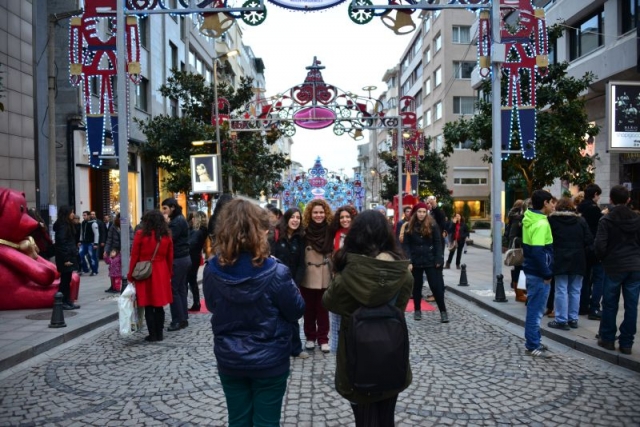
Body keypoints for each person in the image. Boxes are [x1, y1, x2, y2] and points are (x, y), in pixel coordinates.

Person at [203, 199, 305, 427]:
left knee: (238, 420)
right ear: (260, 231)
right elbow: (296, 309)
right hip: (270, 359)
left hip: (230, 357)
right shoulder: (276, 271)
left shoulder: (211, 270)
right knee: (267, 422)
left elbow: (212, 305)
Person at [323, 210, 413, 426]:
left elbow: (330, 302)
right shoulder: (402, 273)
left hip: (356, 356)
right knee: (386, 418)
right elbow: (399, 306)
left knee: (363, 419)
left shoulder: (347, 275)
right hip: (392, 353)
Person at [595, 185, 640, 355]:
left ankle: (607, 338)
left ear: (611, 200)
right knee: (631, 305)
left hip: (614, 265)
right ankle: (626, 342)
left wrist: (603, 258)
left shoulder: (607, 220)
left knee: (609, 303)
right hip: (634, 266)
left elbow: (599, 245)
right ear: (628, 200)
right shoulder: (636, 219)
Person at [127, 210, 174, 342]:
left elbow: (134, 256)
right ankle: (160, 334)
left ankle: (152, 334)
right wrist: (169, 273)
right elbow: (170, 257)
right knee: (159, 305)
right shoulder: (166, 235)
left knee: (148, 304)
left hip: (145, 272)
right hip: (161, 271)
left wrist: (131, 275)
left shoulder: (140, 234)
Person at [547, 198, 592, 330]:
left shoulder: (552, 221)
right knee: (575, 290)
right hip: (578, 258)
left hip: (560, 257)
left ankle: (561, 319)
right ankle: (573, 318)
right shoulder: (580, 221)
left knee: (561, 289)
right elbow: (589, 239)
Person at [269, 207, 308, 359]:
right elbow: (271, 258)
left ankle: (296, 348)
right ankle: (278, 347)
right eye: (293, 217)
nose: (295, 220)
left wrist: (296, 283)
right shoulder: (276, 235)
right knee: (275, 315)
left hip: (292, 282)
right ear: (286, 219)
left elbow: (301, 263)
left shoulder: (301, 238)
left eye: (298, 218)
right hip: (275, 281)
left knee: (292, 315)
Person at [402, 202, 449, 323]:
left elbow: (438, 243)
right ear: (415, 213)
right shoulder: (409, 227)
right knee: (416, 287)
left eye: (424, 212)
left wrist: (439, 258)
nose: (421, 214)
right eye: (419, 211)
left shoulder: (432, 225)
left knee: (435, 286)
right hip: (416, 261)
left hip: (430, 260)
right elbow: (406, 246)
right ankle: (417, 310)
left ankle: (443, 311)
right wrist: (409, 261)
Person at [522, 190, 555, 358]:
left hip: (531, 269)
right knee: (536, 310)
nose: (553, 205)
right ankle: (533, 344)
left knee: (534, 308)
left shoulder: (530, 218)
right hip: (538, 273)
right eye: (551, 202)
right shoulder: (541, 223)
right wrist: (547, 273)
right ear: (545, 204)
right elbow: (538, 251)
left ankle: (534, 340)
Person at [301, 199, 333, 353]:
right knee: (308, 309)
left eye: (321, 212)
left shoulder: (330, 230)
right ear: (310, 214)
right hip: (308, 275)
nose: (318, 215)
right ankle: (310, 337)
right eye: (315, 212)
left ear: (325, 213)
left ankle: (323, 338)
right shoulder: (304, 230)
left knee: (323, 308)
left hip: (325, 274)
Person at [328, 205, 358, 353]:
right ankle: (337, 344)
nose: (345, 220)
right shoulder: (337, 234)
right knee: (337, 311)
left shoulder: (358, 234)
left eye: (347, 217)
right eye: (342, 217)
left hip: (354, 276)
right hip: (339, 275)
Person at [161, 197, 192, 332]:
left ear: (172, 207)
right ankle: (183, 317)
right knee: (180, 289)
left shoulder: (176, 222)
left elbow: (168, 239)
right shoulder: (180, 219)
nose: (163, 211)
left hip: (179, 258)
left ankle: (178, 320)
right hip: (183, 258)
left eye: (165, 208)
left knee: (174, 289)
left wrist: (165, 225)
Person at [576, 184, 606, 320]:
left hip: (583, 247)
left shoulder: (580, 206)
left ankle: (583, 306)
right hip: (594, 247)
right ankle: (594, 307)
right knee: (599, 277)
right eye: (598, 195)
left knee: (585, 278)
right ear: (595, 194)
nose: (599, 198)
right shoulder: (594, 209)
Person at [53, 206, 81, 310]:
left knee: (67, 279)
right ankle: (62, 301)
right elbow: (61, 243)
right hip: (65, 258)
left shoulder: (67, 224)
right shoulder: (63, 226)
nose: (73, 214)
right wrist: (65, 259)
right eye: (71, 212)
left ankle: (67, 301)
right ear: (66, 214)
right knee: (64, 280)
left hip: (68, 256)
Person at [103, 213, 134, 294]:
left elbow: (131, 239)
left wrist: (126, 249)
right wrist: (106, 250)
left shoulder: (128, 227)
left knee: (122, 268)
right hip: (115, 250)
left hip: (124, 251)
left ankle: (121, 284)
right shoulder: (113, 227)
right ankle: (113, 285)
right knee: (112, 267)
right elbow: (109, 239)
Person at [187, 211, 208, 312]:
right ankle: (196, 302)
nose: (192, 219)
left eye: (194, 218)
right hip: (195, 257)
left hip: (191, 257)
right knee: (192, 280)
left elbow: (191, 244)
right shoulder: (202, 230)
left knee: (190, 280)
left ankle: (196, 302)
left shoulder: (197, 232)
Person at [507, 199, 527, 302]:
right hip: (518, 249)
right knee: (520, 270)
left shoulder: (516, 217)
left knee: (521, 270)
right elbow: (512, 236)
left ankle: (521, 292)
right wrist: (525, 240)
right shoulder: (517, 219)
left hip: (521, 248)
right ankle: (519, 293)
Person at [78, 210, 99, 276]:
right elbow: (81, 233)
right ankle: (85, 269)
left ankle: (94, 270)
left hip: (91, 243)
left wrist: (95, 243)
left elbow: (96, 234)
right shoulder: (83, 223)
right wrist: (80, 241)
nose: (83, 216)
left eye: (85, 215)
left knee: (92, 257)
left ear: (89, 215)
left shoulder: (93, 223)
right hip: (84, 243)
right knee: (80, 255)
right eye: (83, 215)